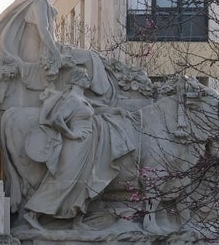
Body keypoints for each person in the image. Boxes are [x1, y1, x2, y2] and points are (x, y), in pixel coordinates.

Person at [22, 66, 137, 229]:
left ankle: (77, 221)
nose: (88, 79)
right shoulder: (72, 99)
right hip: (75, 146)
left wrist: (116, 110)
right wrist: (71, 134)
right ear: (75, 80)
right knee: (64, 181)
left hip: (88, 145)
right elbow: (57, 119)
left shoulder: (82, 99)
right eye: (84, 76)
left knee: (82, 183)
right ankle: (32, 213)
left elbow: (96, 111)